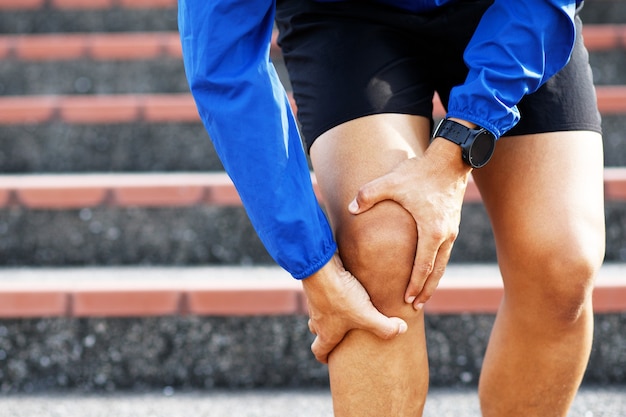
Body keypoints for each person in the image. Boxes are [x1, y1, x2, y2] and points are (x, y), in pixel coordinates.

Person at [178, 0, 606, 415]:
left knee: (562, 260)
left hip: (512, 12)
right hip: (346, 14)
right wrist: (315, 265)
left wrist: (460, 142)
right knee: (380, 245)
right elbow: (223, 64)